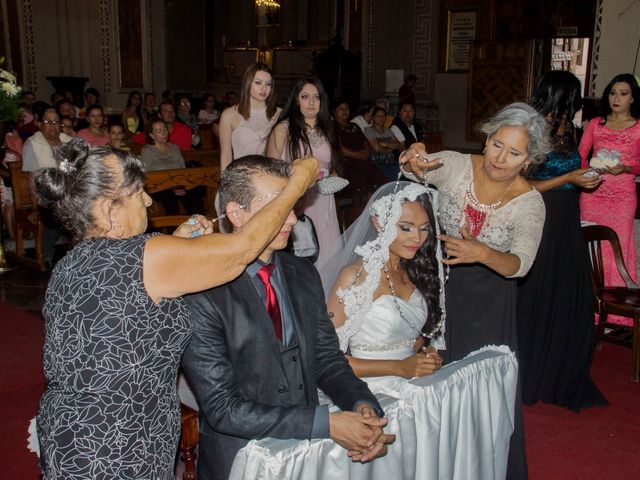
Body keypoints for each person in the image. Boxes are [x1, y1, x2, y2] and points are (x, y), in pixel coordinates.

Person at [34, 139, 320, 479]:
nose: (148, 199)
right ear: (111, 211)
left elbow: (128, 302)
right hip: (114, 446)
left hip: (69, 434)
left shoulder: (70, 265)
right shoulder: (139, 259)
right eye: (137, 191)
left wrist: (178, 245)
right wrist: (297, 184)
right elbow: (241, 250)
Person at [181, 156, 394, 480]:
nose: (293, 219)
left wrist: (361, 404)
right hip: (241, 461)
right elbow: (224, 409)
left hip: (305, 457)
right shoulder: (202, 289)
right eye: (280, 207)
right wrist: (325, 423)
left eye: (293, 205)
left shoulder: (302, 272)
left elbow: (326, 360)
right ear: (237, 214)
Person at [401, 102, 550, 480]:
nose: (501, 158)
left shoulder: (530, 203)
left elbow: (521, 264)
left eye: (514, 152)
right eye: (497, 144)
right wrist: (412, 158)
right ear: (486, 140)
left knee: (481, 393)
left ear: (528, 160)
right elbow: (413, 167)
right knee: (434, 381)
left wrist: (482, 252)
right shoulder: (456, 165)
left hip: (490, 302)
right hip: (438, 287)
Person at [518, 71, 607, 412]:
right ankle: (530, 374)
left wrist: (583, 180)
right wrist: (567, 178)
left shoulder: (569, 127)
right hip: (540, 215)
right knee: (536, 291)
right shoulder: (530, 127)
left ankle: (558, 371)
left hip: (567, 217)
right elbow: (521, 186)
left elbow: (571, 173)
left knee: (571, 295)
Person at [323, 182, 445, 395]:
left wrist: (422, 360)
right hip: (369, 392)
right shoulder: (355, 276)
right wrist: (399, 367)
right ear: (379, 222)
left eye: (424, 228)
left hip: (413, 387)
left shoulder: (416, 273)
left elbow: (410, 341)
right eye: (405, 227)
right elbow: (326, 359)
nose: (417, 238)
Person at [578, 73, 640, 328]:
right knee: (589, 249)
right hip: (593, 193)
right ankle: (587, 308)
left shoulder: (638, 126)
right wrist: (588, 173)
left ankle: (614, 313)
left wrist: (625, 168)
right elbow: (581, 157)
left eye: (623, 93)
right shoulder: (595, 124)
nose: (616, 98)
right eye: (613, 92)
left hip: (622, 197)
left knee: (616, 249)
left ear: (633, 98)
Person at [267, 77, 343, 270]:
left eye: (316, 97)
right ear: (296, 100)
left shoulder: (328, 128)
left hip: (324, 199)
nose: (311, 102)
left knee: (327, 253)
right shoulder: (283, 129)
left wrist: (333, 177)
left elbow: (332, 164)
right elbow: (272, 171)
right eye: (305, 96)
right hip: (296, 200)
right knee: (300, 254)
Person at [22, 107, 74, 266]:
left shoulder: (68, 141)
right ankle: (47, 256)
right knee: (56, 213)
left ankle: (80, 255)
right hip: (46, 197)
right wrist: (34, 207)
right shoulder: (33, 144)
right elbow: (31, 178)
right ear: (39, 124)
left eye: (56, 121)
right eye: (48, 122)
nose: (53, 125)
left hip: (70, 193)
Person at [219, 62, 281, 171]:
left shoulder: (280, 114)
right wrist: (226, 185)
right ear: (248, 83)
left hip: (272, 177)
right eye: (258, 83)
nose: (264, 88)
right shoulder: (228, 115)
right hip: (241, 178)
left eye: (268, 84)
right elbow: (226, 156)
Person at [141, 119, 200, 215]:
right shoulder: (147, 150)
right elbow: (149, 174)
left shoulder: (174, 148)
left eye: (164, 130)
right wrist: (171, 188)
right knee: (169, 199)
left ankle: (198, 225)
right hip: (159, 187)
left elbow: (182, 169)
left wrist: (180, 186)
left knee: (194, 193)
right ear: (152, 135)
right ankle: (173, 228)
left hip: (178, 184)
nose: (164, 133)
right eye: (159, 131)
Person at [333, 99, 386, 195]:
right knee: (362, 183)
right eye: (341, 109)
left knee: (382, 181)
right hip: (348, 163)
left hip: (364, 160)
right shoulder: (332, 127)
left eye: (346, 108)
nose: (344, 111)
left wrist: (366, 152)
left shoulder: (354, 125)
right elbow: (338, 147)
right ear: (334, 111)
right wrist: (357, 155)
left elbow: (365, 141)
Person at [364, 106, 402, 179]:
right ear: (373, 118)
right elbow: (377, 148)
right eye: (378, 116)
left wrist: (385, 144)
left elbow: (398, 144)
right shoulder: (369, 130)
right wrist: (390, 148)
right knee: (394, 178)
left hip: (391, 162)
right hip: (378, 163)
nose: (381, 118)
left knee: (404, 175)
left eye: (383, 116)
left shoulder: (388, 130)